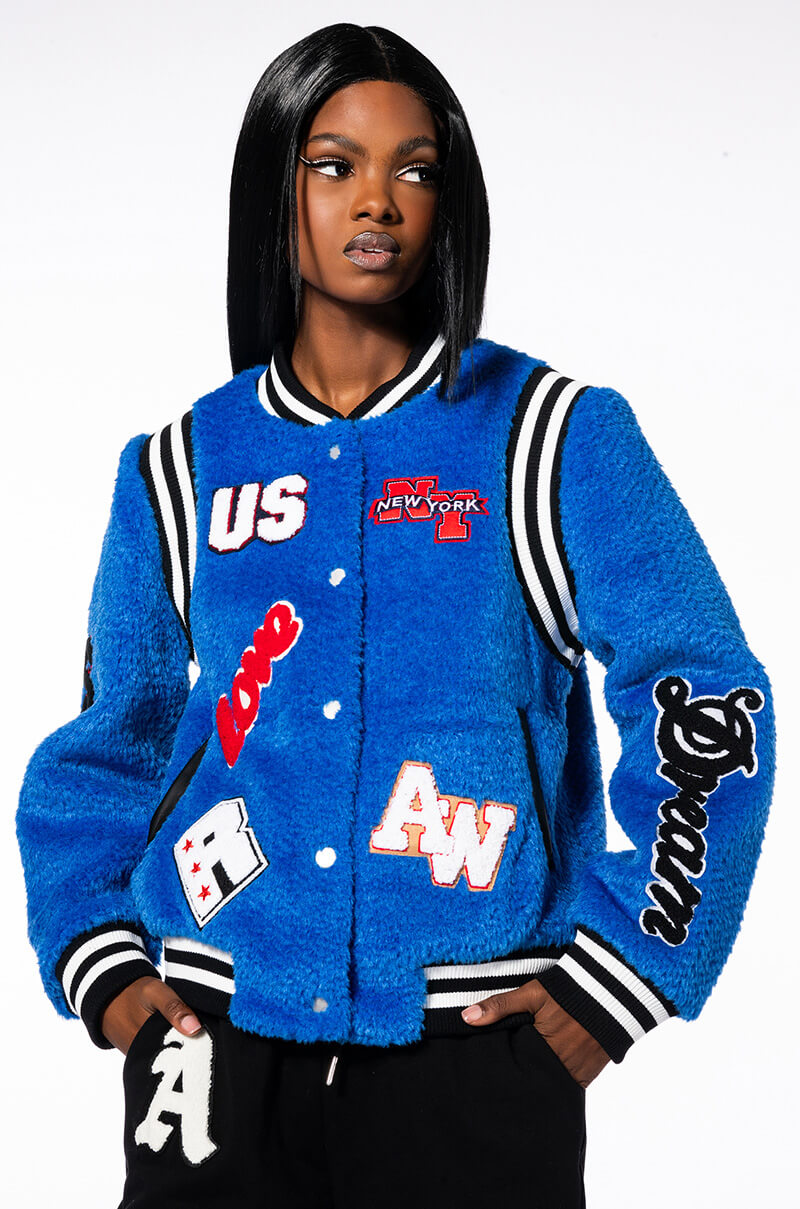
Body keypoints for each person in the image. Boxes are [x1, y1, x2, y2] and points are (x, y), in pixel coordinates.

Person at [16, 21, 774, 1209]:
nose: (376, 200)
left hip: (473, 1056)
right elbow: (113, 742)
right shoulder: (179, 466)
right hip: (210, 1045)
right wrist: (103, 966)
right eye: (334, 165)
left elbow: (705, 695)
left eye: (413, 170)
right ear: (273, 189)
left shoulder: (548, 437)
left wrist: (622, 975)